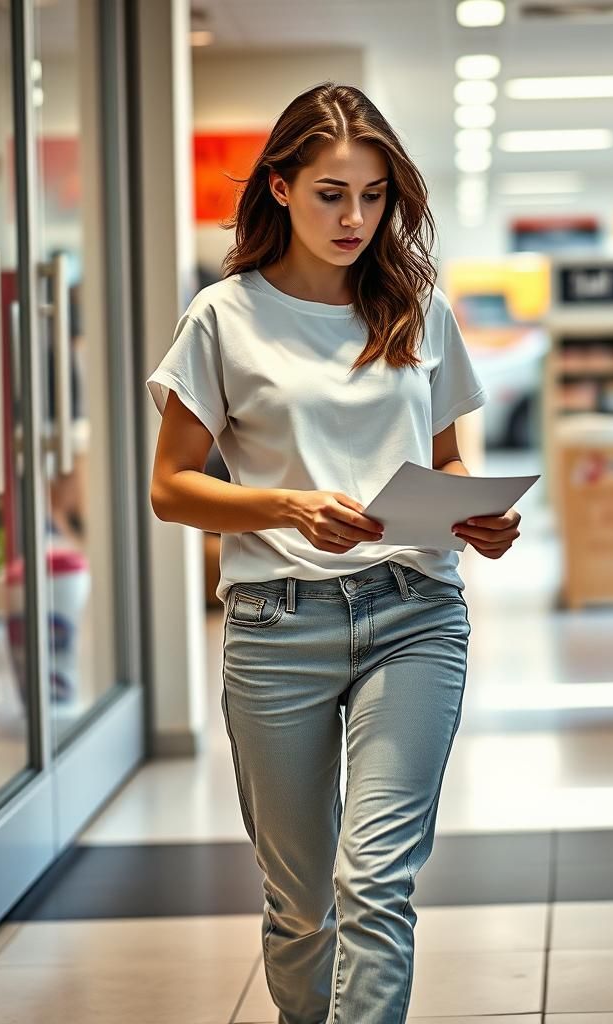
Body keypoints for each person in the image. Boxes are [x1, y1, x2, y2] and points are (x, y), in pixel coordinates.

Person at [147, 81, 522, 1024]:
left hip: (416, 611)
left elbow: (446, 457)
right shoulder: (222, 318)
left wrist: (478, 514)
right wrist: (285, 506)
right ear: (279, 187)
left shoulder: (416, 309)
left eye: (374, 195)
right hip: (278, 627)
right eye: (330, 194)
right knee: (303, 905)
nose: (356, 217)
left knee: (377, 882)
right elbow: (172, 487)